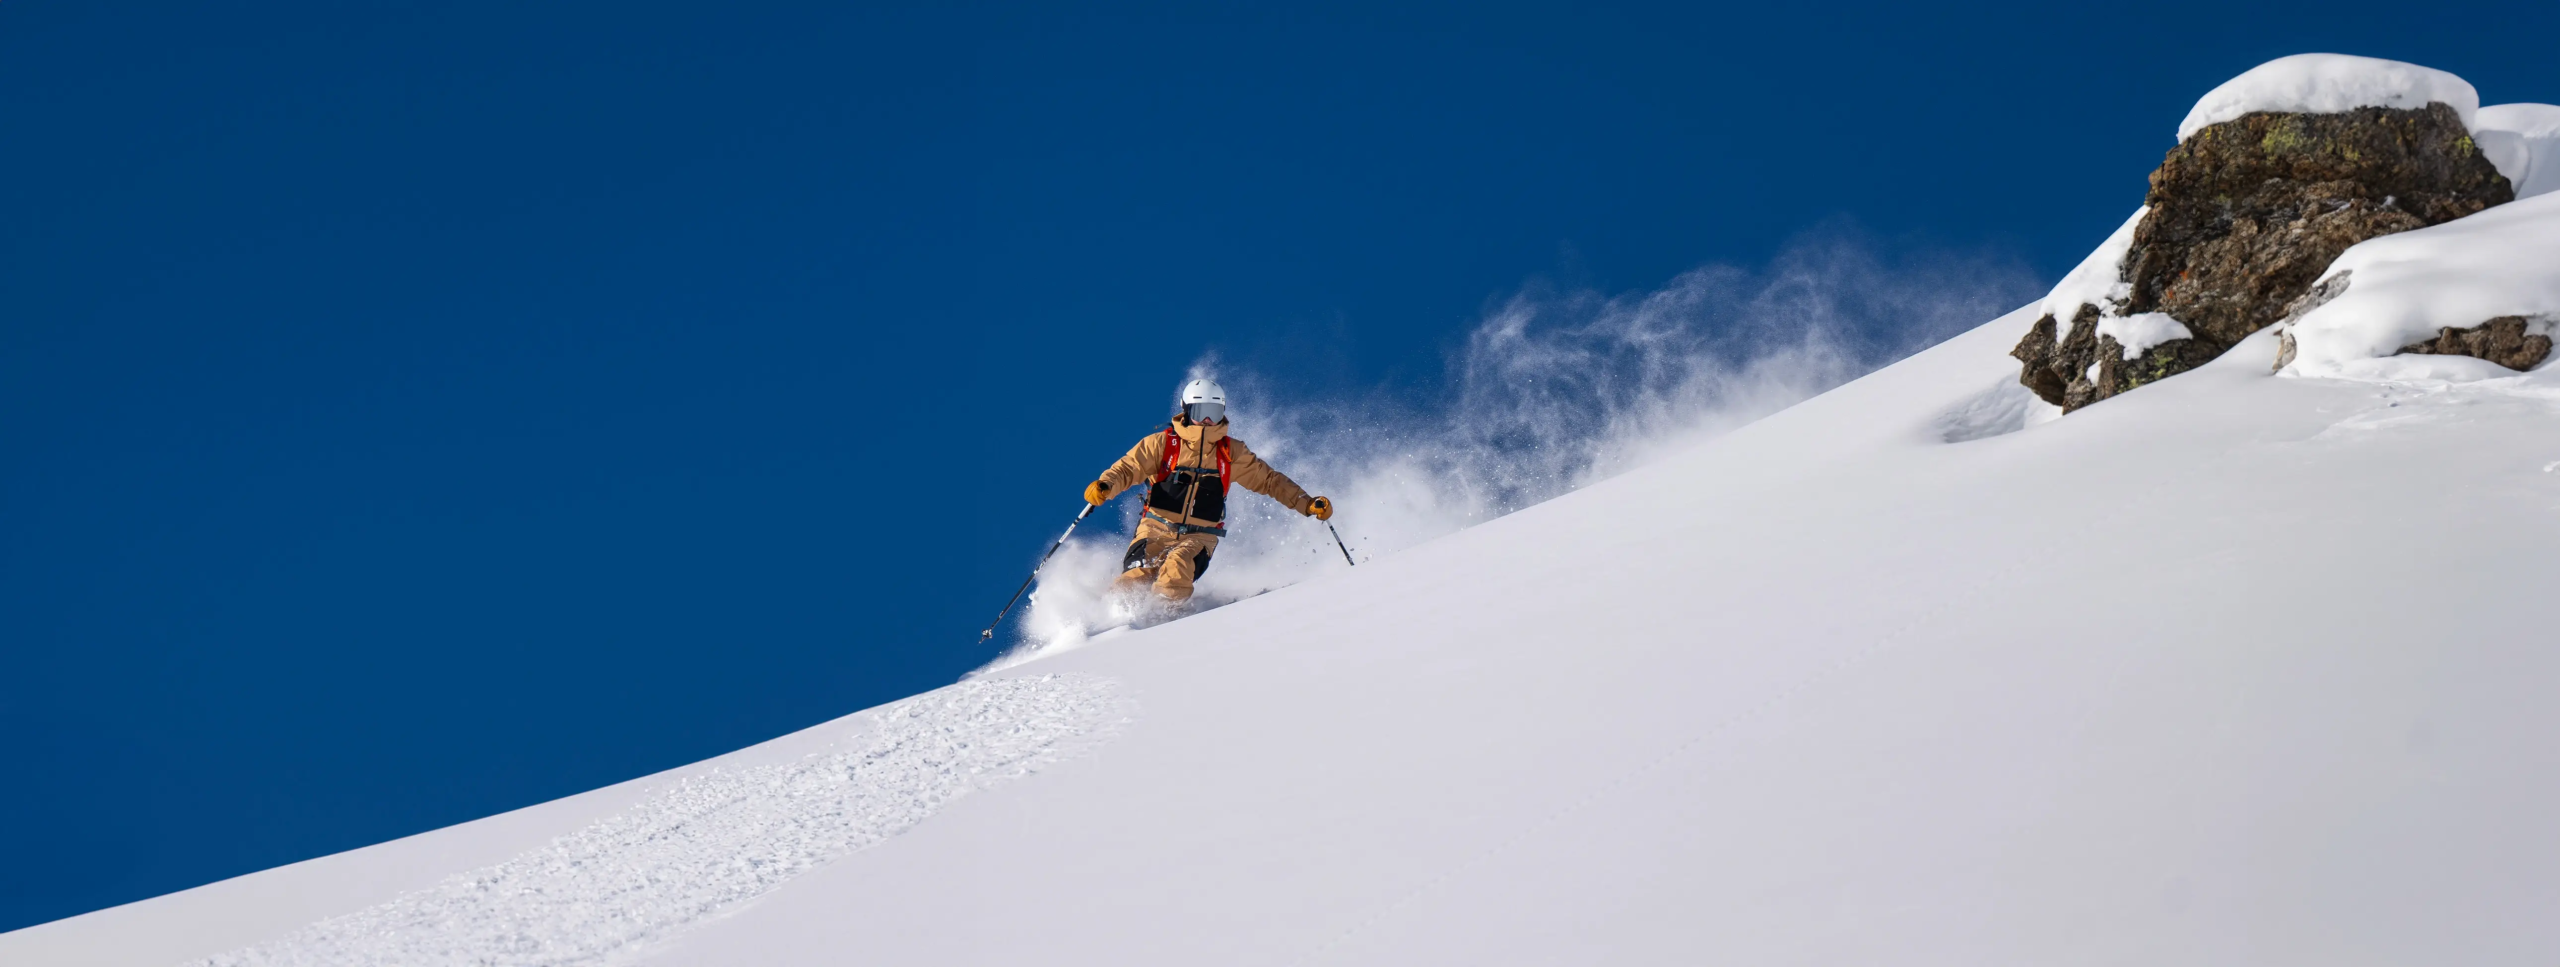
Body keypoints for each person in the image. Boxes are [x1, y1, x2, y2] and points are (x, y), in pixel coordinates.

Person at [1082, 377, 1332, 603]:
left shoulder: (1231, 453)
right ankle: (1108, 626)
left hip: (1200, 537)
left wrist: (1307, 503)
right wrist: (1106, 486)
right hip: (1156, 527)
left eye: (1214, 412)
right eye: (1201, 412)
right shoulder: (1163, 444)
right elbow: (1128, 468)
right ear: (1187, 411)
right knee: (1136, 578)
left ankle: (1162, 623)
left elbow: (1270, 481)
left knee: (1177, 567)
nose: (1208, 421)